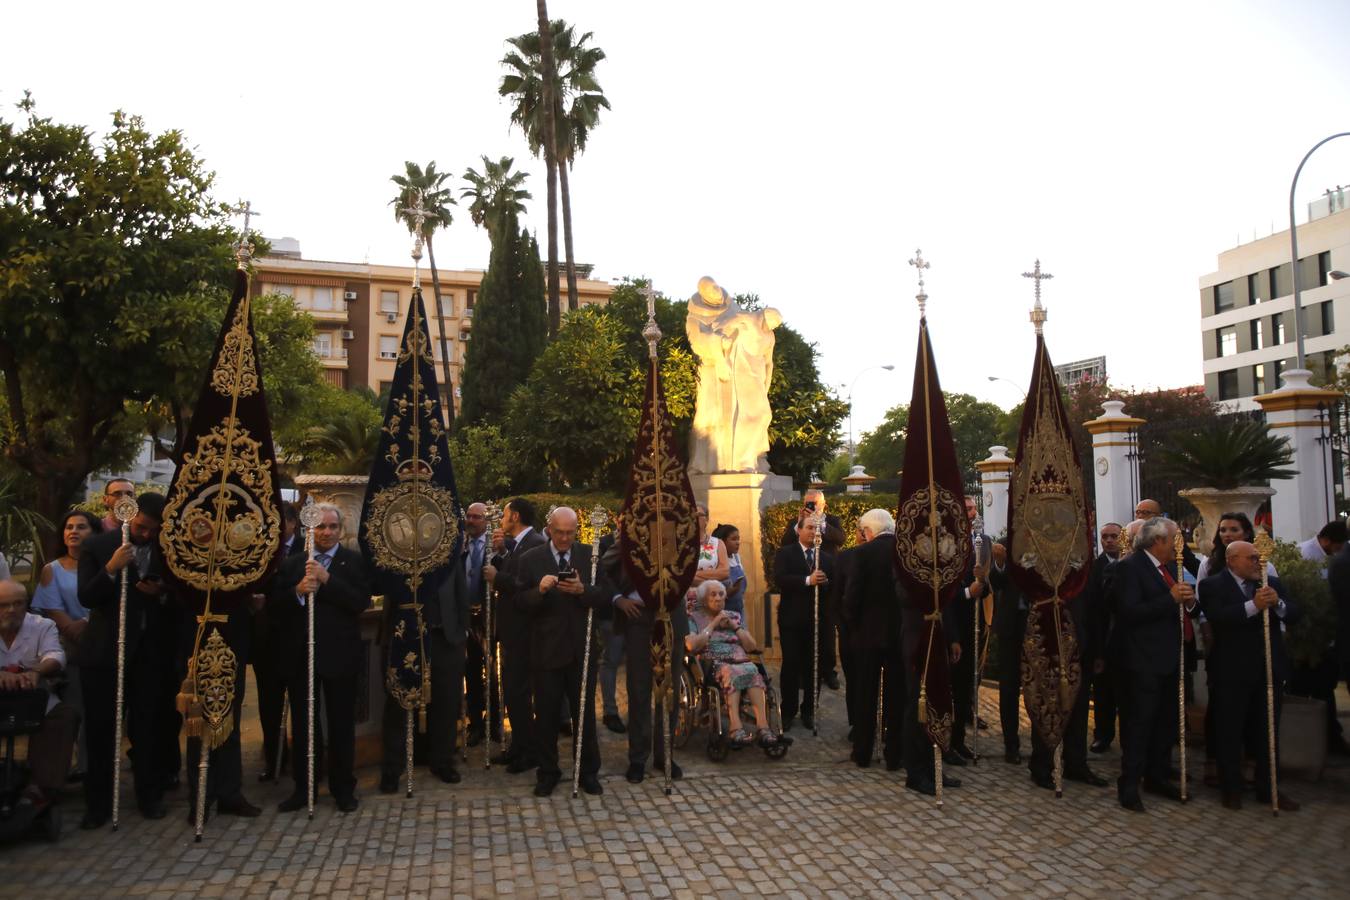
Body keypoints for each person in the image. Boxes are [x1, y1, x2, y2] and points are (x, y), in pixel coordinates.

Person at [77, 492, 182, 828]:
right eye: (141, 527)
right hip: (106, 653)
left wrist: (163, 591)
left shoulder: (168, 550)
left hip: (149, 654)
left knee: (147, 728)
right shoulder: (98, 547)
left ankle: (148, 797)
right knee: (101, 730)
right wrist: (111, 569)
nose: (146, 534)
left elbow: (183, 593)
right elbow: (87, 596)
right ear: (129, 517)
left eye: (153, 529)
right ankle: (98, 805)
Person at [271, 503, 370, 814]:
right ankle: (305, 787)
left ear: (341, 530)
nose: (327, 532)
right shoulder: (294, 563)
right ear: (309, 529)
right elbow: (275, 605)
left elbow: (359, 602)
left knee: (341, 724)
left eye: (332, 527)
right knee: (304, 725)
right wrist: (298, 591)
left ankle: (343, 788)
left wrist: (328, 580)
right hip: (302, 657)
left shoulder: (353, 562)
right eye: (321, 527)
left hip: (340, 655)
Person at [1199, 540, 1300, 811]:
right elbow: (1218, 617)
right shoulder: (1212, 585)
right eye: (1251, 558)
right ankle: (1231, 787)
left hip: (1268, 669)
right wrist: (1253, 606)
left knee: (1267, 731)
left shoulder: (1270, 582)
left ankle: (1269, 788)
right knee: (1230, 732)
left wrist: (1277, 604)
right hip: (1232, 671)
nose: (1257, 562)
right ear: (1232, 560)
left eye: (1257, 558)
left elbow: (1294, 613)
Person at [515, 507, 608, 797]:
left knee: (584, 715)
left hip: (581, 649)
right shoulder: (531, 559)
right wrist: (539, 591)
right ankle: (548, 772)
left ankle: (588, 772)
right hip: (546, 650)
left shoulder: (589, 556)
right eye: (560, 532)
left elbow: (605, 596)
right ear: (550, 529)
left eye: (571, 532)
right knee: (546, 715)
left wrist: (583, 590)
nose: (565, 538)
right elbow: (519, 602)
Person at [1112, 517, 1199, 812]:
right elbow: (1128, 612)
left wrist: (1187, 601)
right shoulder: (1130, 567)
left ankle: (1158, 776)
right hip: (1141, 661)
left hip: (1169, 657)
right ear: (1158, 540)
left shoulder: (1171, 569)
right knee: (1140, 724)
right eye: (1175, 538)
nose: (1180, 544)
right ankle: (1129, 783)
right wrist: (1170, 599)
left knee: (1166, 723)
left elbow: (1185, 604)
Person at [380, 512, 470, 791]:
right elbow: (389, 599)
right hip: (407, 637)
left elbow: (460, 594)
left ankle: (442, 760)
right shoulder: (400, 557)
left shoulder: (450, 555)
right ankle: (392, 768)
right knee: (399, 701)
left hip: (445, 637)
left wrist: (460, 631)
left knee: (446, 702)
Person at [31, 509, 102, 781]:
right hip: (69, 651)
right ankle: (67, 769)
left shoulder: (104, 565)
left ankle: (89, 768)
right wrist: (75, 626)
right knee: (74, 710)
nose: (73, 531)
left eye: (81, 527)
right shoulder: (52, 569)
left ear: (94, 533)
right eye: (69, 526)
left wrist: (86, 622)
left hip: (99, 645)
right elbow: (51, 610)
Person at [0, 580, 80, 814]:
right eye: (4, 605)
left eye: (18, 604)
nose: (11, 610)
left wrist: (38, 672)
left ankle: (41, 788)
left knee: (64, 716)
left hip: (31, 699)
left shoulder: (41, 625)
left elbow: (55, 654)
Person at [484, 498, 546, 773]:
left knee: (519, 693)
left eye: (505, 514)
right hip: (512, 630)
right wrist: (500, 555)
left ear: (516, 516)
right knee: (513, 693)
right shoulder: (517, 545)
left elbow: (523, 585)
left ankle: (529, 751)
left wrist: (497, 578)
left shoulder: (533, 544)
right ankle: (519, 746)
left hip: (525, 632)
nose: (502, 519)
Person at [842, 509, 905, 770]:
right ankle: (894, 754)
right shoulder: (904, 551)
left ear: (868, 531)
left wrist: (852, 625)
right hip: (899, 633)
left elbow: (852, 594)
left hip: (866, 635)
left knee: (865, 694)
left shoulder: (862, 553)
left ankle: (863, 751)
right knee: (896, 696)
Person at [686, 580, 775, 744]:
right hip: (713, 662)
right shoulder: (694, 618)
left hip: (740, 658)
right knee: (731, 672)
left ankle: (763, 727)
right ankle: (735, 728)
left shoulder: (734, 616)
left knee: (753, 672)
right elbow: (692, 645)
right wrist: (713, 624)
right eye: (713, 594)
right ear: (704, 600)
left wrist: (735, 626)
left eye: (721, 594)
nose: (718, 598)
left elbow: (751, 646)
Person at [251, 501, 302, 782]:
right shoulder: (259, 549)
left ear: (293, 523)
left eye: (281, 521)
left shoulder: (306, 549)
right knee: (268, 706)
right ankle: (272, 761)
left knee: (301, 703)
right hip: (266, 641)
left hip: (296, 638)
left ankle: (301, 760)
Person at [772, 516, 835, 731]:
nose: (812, 532)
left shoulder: (826, 558)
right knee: (791, 663)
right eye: (808, 527)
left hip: (817, 621)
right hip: (792, 620)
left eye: (816, 529)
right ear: (798, 530)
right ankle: (788, 710)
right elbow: (780, 579)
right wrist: (807, 580)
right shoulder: (785, 553)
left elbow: (835, 586)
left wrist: (826, 583)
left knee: (813, 666)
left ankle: (809, 709)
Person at [780, 489, 845, 690]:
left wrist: (820, 522)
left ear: (823, 504)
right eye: (808, 502)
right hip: (802, 581)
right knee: (803, 631)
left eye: (814, 503)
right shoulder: (797, 520)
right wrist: (798, 524)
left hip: (826, 581)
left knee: (826, 630)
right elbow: (785, 542)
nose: (811, 506)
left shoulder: (832, 520)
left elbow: (839, 538)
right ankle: (802, 673)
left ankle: (828, 671)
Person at [943, 496, 989, 766]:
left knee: (964, 690)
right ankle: (945, 742)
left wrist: (985, 578)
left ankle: (959, 740)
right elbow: (943, 593)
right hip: (954, 627)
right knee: (950, 688)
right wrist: (967, 593)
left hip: (974, 625)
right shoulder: (947, 547)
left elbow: (990, 586)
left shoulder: (982, 544)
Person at [461, 502, 499, 749]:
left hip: (491, 617)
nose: (471, 520)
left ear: (486, 520)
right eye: (469, 516)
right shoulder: (459, 545)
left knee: (494, 671)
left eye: (477, 517)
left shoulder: (495, 545)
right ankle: (474, 722)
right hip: (465, 617)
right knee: (471, 671)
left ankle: (494, 721)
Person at [988, 538, 1027, 763]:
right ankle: (1011, 744)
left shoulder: (1046, 541)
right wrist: (1000, 563)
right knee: (1009, 687)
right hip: (1011, 626)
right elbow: (997, 581)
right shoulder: (1006, 544)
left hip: (1037, 623)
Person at [1087, 522, 1123, 754]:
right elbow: (1093, 611)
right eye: (1105, 536)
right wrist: (1097, 650)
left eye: (1113, 536)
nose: (1109, 540)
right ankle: (1102, 734)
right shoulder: (1094, 568)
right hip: (1104, 639)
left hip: (1129, 640)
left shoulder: (1132, 564)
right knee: (1103, 693)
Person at [711, 524, 746, 616]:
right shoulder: (716, 562)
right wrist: (731, 591)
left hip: (739, 612)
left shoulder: (737, 558)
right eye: (733, 539)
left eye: (738, 539)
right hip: (722, 614)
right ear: (722, 542)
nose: (738, 542)